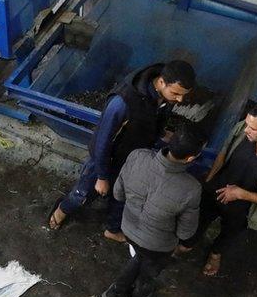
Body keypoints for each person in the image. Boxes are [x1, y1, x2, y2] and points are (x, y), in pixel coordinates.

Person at [48, 60, 195, 242]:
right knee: (84, 193)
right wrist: (102, 176)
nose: (179, 100)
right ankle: (62, 210)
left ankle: (112, 229)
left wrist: (160, 134)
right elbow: (103, 141)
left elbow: (154, 117)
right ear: (162, 82)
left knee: (122, 196)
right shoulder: (123, 102)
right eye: (176, 94)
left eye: (183, 95)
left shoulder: (164, 96)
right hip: (108, 159)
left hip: (132, 157)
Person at [180, 101, 257, 276]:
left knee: (229, 233)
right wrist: (210, 179)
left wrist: (241, 194)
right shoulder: (243, 128)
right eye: (247, 124)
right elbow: (224, 151)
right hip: (216, 189)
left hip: (243, 207)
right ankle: (187, 244)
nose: (245, 130)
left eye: (252, 128)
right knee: (198, 221)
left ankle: (215, 254)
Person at [103, 124, 204, 297]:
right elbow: (185, 233)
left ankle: (115, 292)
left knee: (139, 256)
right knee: (149, 270)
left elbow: (118, 194)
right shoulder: (191, 188)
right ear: (191, 158)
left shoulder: (137, 156)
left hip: (128, 229)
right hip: (158, 246)